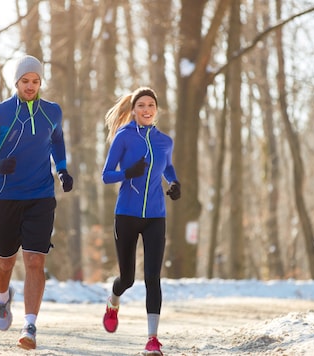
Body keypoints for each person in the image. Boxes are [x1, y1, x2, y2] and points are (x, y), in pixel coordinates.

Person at [0, 54, 73, 350]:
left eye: (36, 81)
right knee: (5, 261)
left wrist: (62, 169)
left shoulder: (52, 111)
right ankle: (3, 299)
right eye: (26, 81)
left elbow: (57, 140)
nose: (31, 86)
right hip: (5, 197)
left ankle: (30, 326)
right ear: (16, 82)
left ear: (41, 83)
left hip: (40, 195)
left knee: (35, 260)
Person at [101, 87, 181, 356]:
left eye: (151, 105)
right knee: (127, 278)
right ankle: (113, 301)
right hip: (126, 214)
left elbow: (167, 166)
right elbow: (106, 175)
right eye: (141, 105)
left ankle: (152, 339)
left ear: (156, 109)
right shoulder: (123, 137)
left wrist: (175, 182)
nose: (146, 110)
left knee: (152, 278)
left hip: (156, 216)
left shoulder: (164, 141)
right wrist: (127, 172)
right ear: (134, 110)